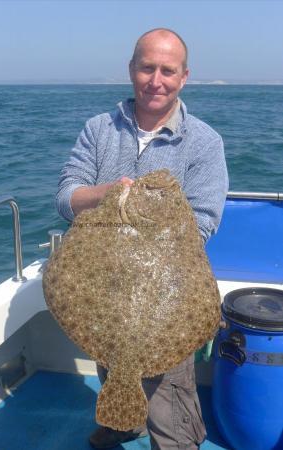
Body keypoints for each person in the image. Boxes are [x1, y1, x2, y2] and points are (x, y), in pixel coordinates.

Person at [56, 28, 228, 450]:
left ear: (184, 77)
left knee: (169, 412)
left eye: (167, 71)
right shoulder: (99, 130)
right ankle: (122, 424)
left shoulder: (204, 142)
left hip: (165, 298)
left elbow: (204, 221)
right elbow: (67, 196)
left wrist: (147, 224)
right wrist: (109, 192)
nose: (156, 80)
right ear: (131, 70)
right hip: (102, 290)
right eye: (147, 67)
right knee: (111, 366)